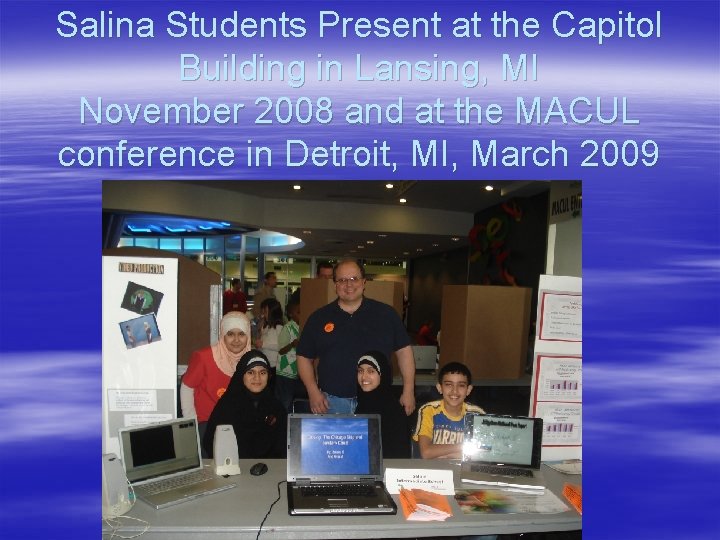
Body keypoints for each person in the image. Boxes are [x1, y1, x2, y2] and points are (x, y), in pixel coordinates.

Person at [296, 258, 416, 415]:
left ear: (364, 282)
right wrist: (312, 392)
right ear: (335, 284)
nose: (348, 285)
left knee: (378, 440)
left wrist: (408, 390)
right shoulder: (319, 318)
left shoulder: (386, 315)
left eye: (354, 279)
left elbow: (404, 353)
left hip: (377, 402)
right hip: (332, 403)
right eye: (342, 280)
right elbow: (303, 357)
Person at [180, 311, 252, 447]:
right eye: (230, 334)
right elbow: (186, 387)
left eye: (241, 334)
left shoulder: (251, 360)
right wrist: (191, 422)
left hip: (237, 424)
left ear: (248, 336)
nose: (236, 340)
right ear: (222, 335)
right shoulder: (204, 357)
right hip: (206, 424)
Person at [203, 350, 287, 459]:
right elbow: (211, 444)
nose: (257, 378)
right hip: (233, 468)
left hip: (270, 470)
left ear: (269, 376)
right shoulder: (227, 407)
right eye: (250, 372)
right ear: (242, 375)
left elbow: (284, 447)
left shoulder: (276, 408)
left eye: (262, 372)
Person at [412, 361, 485, 459]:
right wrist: (465, 447)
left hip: (465, 470)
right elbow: (426, 453)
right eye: (448, 384)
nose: (454, 391)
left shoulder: (477, 414)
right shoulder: (428, 410)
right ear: (439, 388)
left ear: (468, 390)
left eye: (461, 385)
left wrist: (441, 454)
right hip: (435, 470)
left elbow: (482, 455)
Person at [355, 351, 411, 458]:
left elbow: (399, 454)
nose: (364, 377)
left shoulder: (393, 410)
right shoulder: (362, 404)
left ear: (382, 375)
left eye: (371, 371)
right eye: (360, 371)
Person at [275, 300, 306, 412]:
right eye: (298, 312)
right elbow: (281, 350)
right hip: (285, 371)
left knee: (291, 400)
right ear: (291, 314)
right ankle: (283, 424)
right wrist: (292, 344)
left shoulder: (302, 328)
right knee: (285, 401)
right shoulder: (287, 328)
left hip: (295, 372)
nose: (301, 315)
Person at [255, 297, 284, 379]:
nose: (264, 315)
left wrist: (263, 344)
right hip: (265, 364)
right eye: (263, 312)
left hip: (275, 366)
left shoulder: (279, 327)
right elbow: (262, 346)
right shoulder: (266, 327)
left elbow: (281, 347)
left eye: (266, 312)